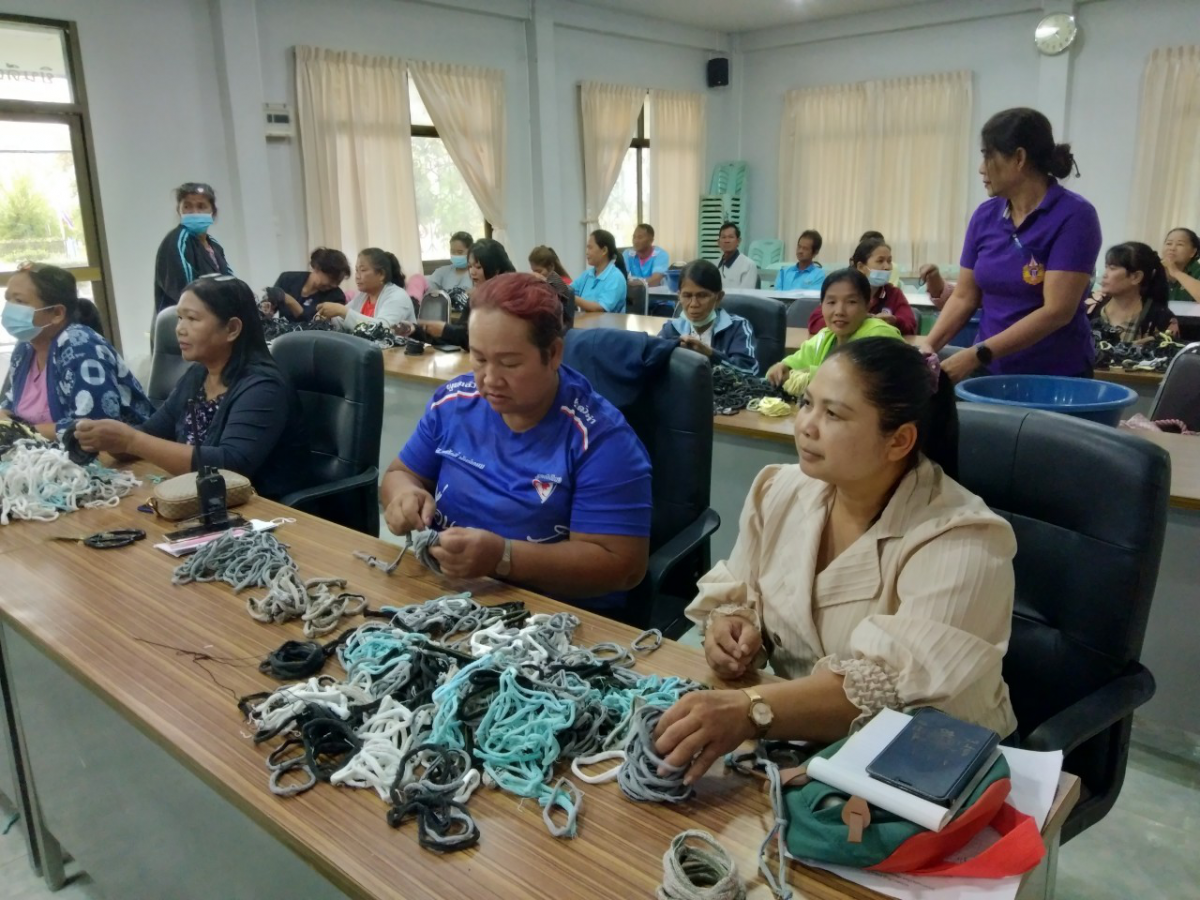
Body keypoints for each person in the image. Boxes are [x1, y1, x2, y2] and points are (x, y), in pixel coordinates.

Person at [652, 338, 1018, 781]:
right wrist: (731, 628)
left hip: (925, 770)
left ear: (899, 440)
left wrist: (751, 709)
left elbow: (891, 693)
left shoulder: (963, 539)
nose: (806, 425)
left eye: (833, 414)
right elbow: (740, 593)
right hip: (797, 744)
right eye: (807, 404)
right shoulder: (780, 490)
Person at [381, 272, 652, 611]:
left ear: (553, 354)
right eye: (479, 358)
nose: (489, 379)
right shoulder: (453, 402)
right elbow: (397, 474)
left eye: (509, 363)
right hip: (449, 596)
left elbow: (622, 566)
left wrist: (503, 557)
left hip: (550, 618)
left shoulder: (599, 439)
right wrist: (404, 496)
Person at [76, 276, 310, 501]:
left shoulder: (263, 386)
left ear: (232, 329)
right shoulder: (199, 374)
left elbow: (230, 466)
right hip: (200, 500)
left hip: (261, 513)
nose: (179, 329)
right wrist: (110, 440)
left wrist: (131, 441)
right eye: (179, 318)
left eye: (192, 319)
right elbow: (152, 432)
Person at [923, 108, 1101, 381]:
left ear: (1019, 158)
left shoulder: (1075, 216)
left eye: (988, 155)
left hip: (1054, 376)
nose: (982, 168)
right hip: (991, 370)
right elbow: (964, 296)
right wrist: (927, 347)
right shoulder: (985, 216)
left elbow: (1056, 311)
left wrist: (977, 354)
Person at [1, 264, 152, 438]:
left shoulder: (82, 348)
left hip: (118, 458)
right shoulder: (25, 347)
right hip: (43, 454)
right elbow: (11, 407)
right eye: (8, 299)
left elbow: (92, 428)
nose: (9, 308)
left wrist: (19, 431)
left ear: (57, 313)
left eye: (19, 301)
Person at [766, 269, 903, 386]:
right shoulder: (826, 336)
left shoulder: (879, 335)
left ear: (867, 305)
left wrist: (812, 373)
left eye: (851, 302)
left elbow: (861, 382)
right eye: (831, 302)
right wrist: (783, 367)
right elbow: (798, 359)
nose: (839, 311)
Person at [398, 239, 528, 349]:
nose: (472, 272)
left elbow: (478, 338)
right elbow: (459, 336)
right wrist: (415, 330)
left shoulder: (511, 296)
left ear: (496, 269)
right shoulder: (476, 297)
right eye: (470, 266)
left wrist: (444, 329)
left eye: (478, 267)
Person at [656, 260, 758, 374]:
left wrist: (710, 354)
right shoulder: (671, 329)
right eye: (687, 295)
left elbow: (749, 372)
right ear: (679, 296)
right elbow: (652, 365)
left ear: (718, 297)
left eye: (702, 296)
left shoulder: (737, 327)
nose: (694, 304)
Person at [807, 238, 917, 335]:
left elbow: (910, 326)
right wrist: (855, 321)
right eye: (880, 261)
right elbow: (815, 322)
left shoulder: (893, 293)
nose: (887, 267)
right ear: (861, 266)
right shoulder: (844, 290)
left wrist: (895, 321)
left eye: (889, 261)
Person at [154, 182, 234, 315]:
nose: (194, 212)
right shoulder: (177, 241)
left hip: (213, 323)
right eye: (187, 206)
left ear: (213, 211)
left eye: (201, 206)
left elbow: (230, 282)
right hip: (185, 325)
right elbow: (188, 290)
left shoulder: (214, 246)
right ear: (179, 211)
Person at [1086, 242, 1178, 342]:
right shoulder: (1090, 306)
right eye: (1106, 267)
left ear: (1136, 277)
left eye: (1112, 268)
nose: (1105, 275)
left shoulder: (1162, 318)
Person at [316, 248, 414, 331]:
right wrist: (328, 317)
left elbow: (384, 329)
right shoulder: (363, 296)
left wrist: (342, 311)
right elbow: (343, 321)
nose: (357, 276)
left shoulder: (397, 296)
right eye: (357, 270)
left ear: (381, 274)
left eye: (363, 270)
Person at [268, 248, 352, 323]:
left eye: (338, 281)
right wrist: (267, 308)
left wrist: (290, 301)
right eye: (332, 278)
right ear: (317, 268)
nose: (334, 285)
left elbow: (311, 324)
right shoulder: (286, 279)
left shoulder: (336, 296)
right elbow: (270, 306)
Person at [574, 229, 628, 313]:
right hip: (586, 323)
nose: (587, 252)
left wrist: (571, 297)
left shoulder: (616, 277)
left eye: (590, 248)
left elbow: (599, 308)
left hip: (607, 325)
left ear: (604, 250)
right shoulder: (587, 275)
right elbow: (569, 290)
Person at [1162, 227, 1200, 305]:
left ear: (1193, 252)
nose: (1172, 248)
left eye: (1180, 244)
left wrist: (1176, 272)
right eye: (1169, 243)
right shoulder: (1154, 270)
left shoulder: (1197, 271)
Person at [716, 222, 758, 289]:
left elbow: (745, 296)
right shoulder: (714, 265)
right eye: (723, 237)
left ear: (738, 241)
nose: (727, 240)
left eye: (731, 237)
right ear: (718, 242)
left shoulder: (748, 265)